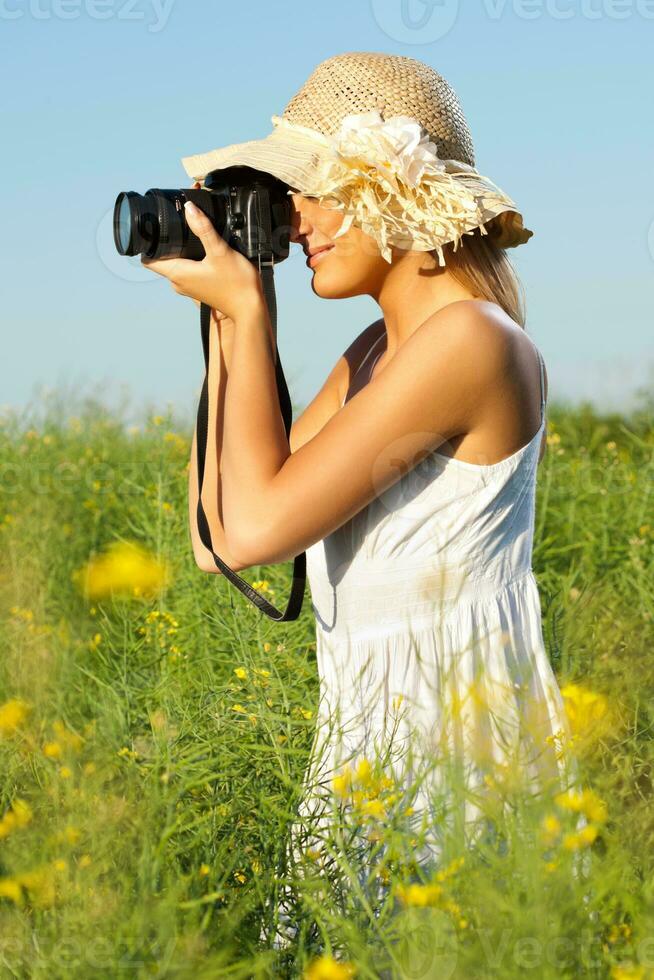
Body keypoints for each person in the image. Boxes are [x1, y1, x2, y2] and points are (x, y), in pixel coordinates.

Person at [143, 51, 588, 950]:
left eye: (314, 190)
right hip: (363, 762)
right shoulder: (375, 353)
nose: (294, 217)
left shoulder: (468, 341)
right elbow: (218, 537)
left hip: (450, 762)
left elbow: (258, 526)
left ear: (398, 195)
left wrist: (251, 316)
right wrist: (233, 318)